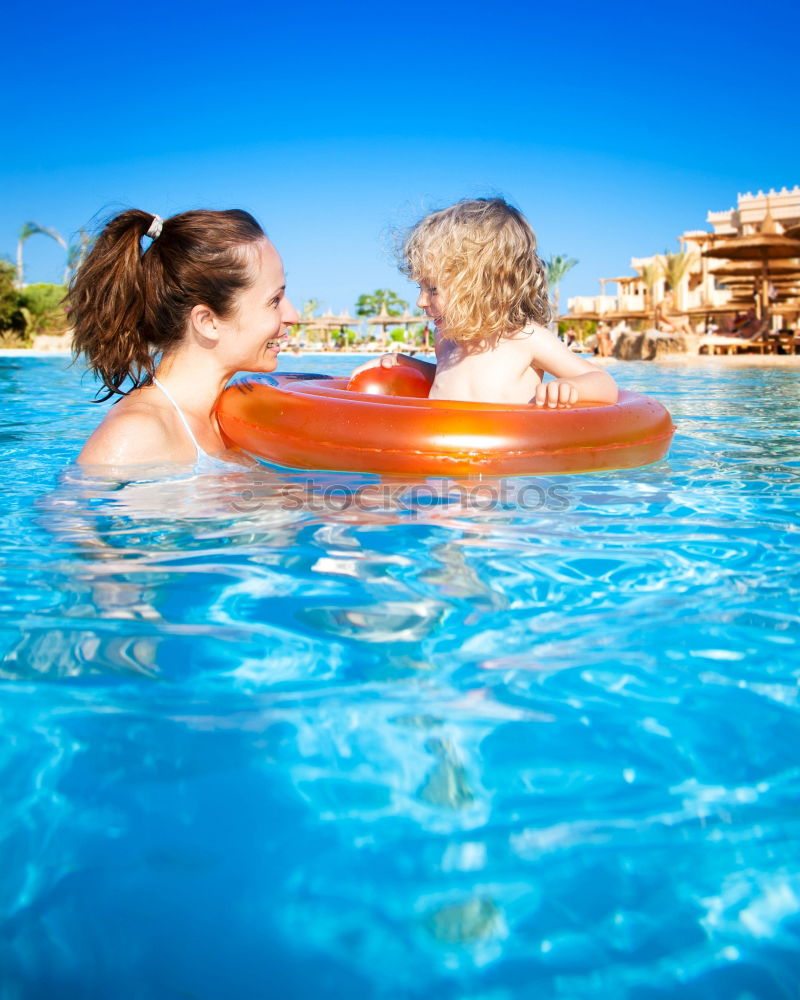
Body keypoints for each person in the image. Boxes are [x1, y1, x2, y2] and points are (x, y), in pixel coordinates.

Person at [70, 208, 299, 468]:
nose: (293, 315)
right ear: (208, 322)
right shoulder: (136, 434)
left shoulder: (230, 421)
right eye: (274, 300)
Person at [352, 198, 617, 407]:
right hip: (442, 454)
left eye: (433, 288)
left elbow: (603, 383)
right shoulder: (445, 339)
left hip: (501, 468)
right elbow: (452, 382)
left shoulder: (526, 338)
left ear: (483, 284)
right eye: (420, 287)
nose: (421, 301)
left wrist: (572, 388)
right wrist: (406, 362)